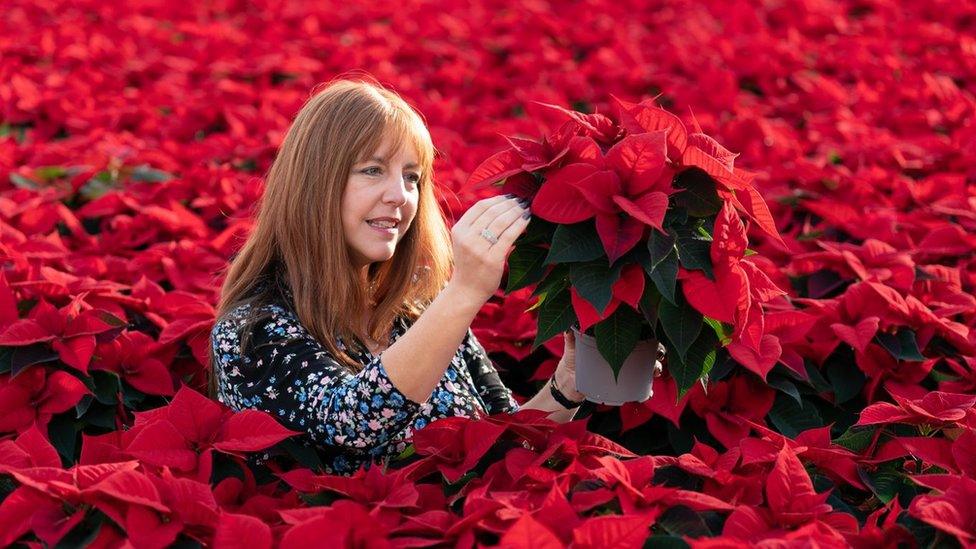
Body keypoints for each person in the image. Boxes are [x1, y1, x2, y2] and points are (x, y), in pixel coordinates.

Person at [207, 78, 594, 475]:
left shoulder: (417, 310)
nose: (401, 195)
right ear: (314, 185)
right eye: (372, 170)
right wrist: (463, 292)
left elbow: (501, 444)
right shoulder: (251, 329)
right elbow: (355, 421)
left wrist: (565, 387)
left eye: (412, 177)